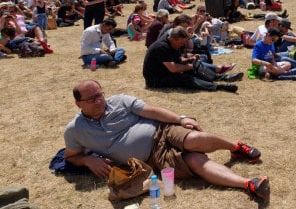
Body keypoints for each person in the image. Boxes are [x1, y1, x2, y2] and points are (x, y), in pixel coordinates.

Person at [64, 79, 270, 202]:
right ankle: (248, 184)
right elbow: (72, 156)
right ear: (78, 104)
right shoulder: (75, 130)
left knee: (192, 140)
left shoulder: (119, 101)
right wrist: (87, 160)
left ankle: (236, 147)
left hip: (162, 130)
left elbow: (151, 111)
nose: (99, 101)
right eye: (91, 99)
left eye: (99, 95)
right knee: (194, 162)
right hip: (154, 158)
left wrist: (181, 119)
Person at [143, 26, 241, 92]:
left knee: (195, 62)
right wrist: (190, 66)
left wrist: (191, 60)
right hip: (156, 79)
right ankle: (218, 86)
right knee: (186, 78)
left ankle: (221, 77)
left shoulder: (173, 43)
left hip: (166, 71)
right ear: (173, 39)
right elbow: (173, 68)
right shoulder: (161, 47)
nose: (182, 45)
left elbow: (178, 60)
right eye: (181, 43)